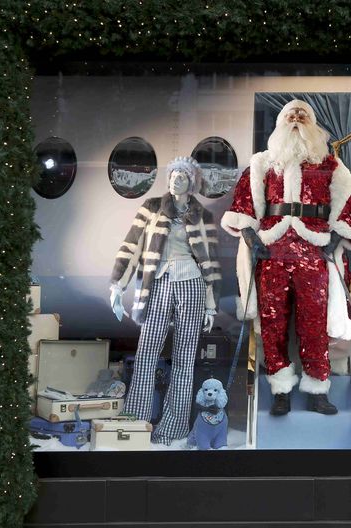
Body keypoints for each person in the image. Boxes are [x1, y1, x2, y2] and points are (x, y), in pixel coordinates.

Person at [221, 99, 351, 416]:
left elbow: (348, 199)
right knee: (272, 322)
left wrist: (336, 236)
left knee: (315, 322)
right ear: (281, 122)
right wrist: (252, 238)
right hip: (272, 250)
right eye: (291, 115)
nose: (297, 119)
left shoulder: (330, 164)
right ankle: (280, 389)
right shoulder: (262, 163)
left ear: (312, 123)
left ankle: (317, 389)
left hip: (314, 250)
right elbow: (243, 207)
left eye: (302, 115)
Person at [110, 156, 221, 445]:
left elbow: (210, 264)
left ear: (191, 183)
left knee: (185, 359)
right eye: (173, 175)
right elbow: (131, 245)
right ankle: (136, 420)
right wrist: (117, 286)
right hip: (158, 283)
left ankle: (173, 428)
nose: (176, 180)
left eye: (182, 176)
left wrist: (210, 305)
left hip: (192, 284)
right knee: (147, 352)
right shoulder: (151, 208)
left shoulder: (201, 216)